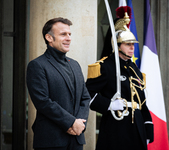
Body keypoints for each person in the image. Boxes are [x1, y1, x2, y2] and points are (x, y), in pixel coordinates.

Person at [86, 8, 154, 150]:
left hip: (137, 127)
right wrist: (109, 105)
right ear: (117, 46)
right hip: (115, 126)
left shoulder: (134, 68)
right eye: (127, 44)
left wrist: (148, 127)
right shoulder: (105, 66)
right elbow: (87, 95)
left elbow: (142, 101)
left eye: (133, 44)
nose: (132, 48)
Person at [26, 17, 91, 150]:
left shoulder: (75, 65)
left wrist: (79, 124)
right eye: (63, 34)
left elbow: (85, 98)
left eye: (69, 34)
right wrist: (71, 123)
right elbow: (42, 101)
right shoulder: (37, 65)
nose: (68, 38)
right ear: (49, 38)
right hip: (51, 141)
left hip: (76, 140)